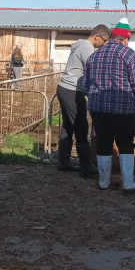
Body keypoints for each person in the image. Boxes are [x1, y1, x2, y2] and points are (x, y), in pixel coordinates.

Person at [84, 18, 135, 193]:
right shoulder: (129, 55)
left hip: (98, 108)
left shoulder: (94, 55)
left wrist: (95, 98)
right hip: (123, 109)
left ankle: (103, 182)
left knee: (103, 142)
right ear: (126, 39)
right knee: (126, 143)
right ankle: (128, 183)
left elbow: (86, 82)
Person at [57, 24, 111, 174]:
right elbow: (93, 69)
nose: (105, 44)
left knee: (69, 125)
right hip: (72, 90)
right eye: (105, 40)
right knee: (81, 126)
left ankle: (64, 162)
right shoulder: (87, 48)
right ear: (97, 37)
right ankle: (86, 165)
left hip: (65, 88)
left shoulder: (80, 45)